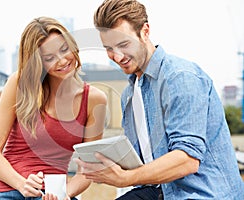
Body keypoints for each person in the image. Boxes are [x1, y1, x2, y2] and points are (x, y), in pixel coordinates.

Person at [74, 0, 244, 199]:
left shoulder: (180, 78)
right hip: (161, 191)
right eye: (109, 48)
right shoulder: (130, 94)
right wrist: (106, 164)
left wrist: (125, 178)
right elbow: (140, 161)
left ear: (145, 31)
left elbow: (187, 159)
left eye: (123, 44)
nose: (117, 56)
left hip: (204, 194)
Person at [0, 16, 107, 200]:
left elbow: (87, 170)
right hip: (6, 188)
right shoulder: (19, 83)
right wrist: (22, 184)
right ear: (39, 63)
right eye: (49, 58)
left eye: (64, 49)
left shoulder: (94, 100)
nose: (62, 61)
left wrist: (65, 194)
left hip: (53, 194)